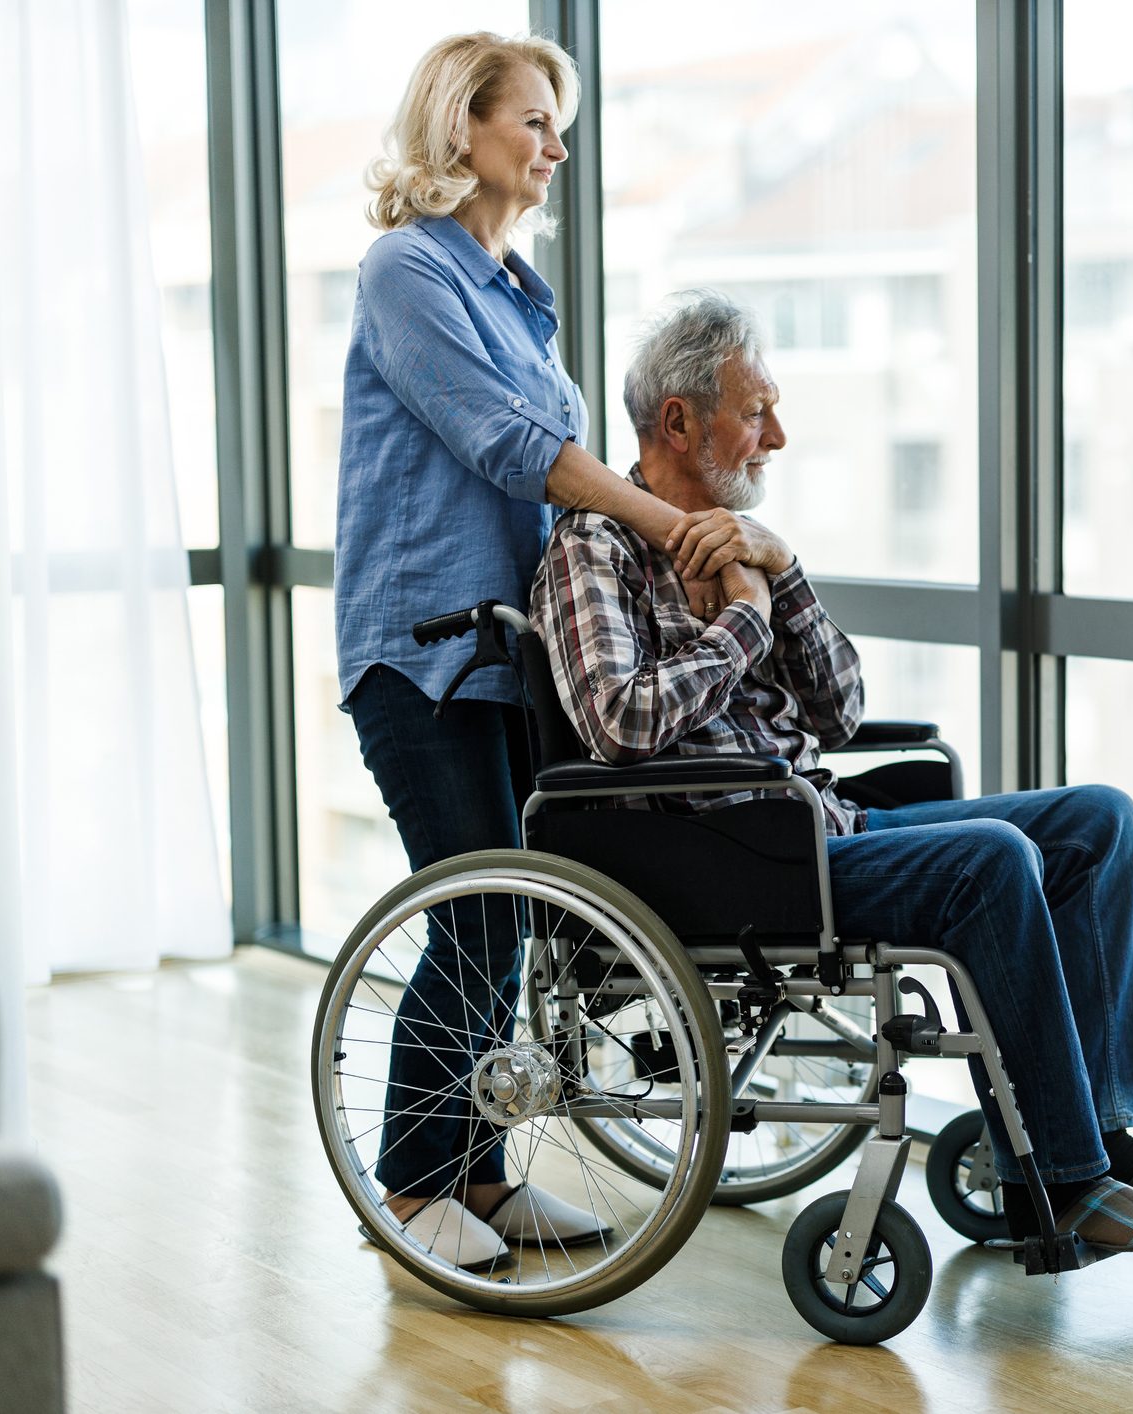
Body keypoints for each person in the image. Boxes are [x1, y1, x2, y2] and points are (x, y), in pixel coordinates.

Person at [530, 290, 1133, 1258]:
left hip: (808, 825)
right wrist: (742, 624)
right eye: (757, 412)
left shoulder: (750, 547)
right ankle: (1063, 1179)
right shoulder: (596, 547)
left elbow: (836, 714)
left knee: (1098, 819)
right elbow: (619, 724)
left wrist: (781, 574)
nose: (777, 437)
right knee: (990, 861)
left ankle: (1118, 1133)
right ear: (677, 420)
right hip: (716, 854)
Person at [335, 33, 759, 1270]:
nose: (555, 147)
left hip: (512, 651)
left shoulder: (520, 294)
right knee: (475, 911)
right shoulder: (406, 272)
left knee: (516, 915)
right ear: (461, 128)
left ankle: (478, 1169)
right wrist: (672, 520)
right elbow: (511, 445)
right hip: (420, 650)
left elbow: (561, 478)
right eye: (534, 121)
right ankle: (412, 1192)